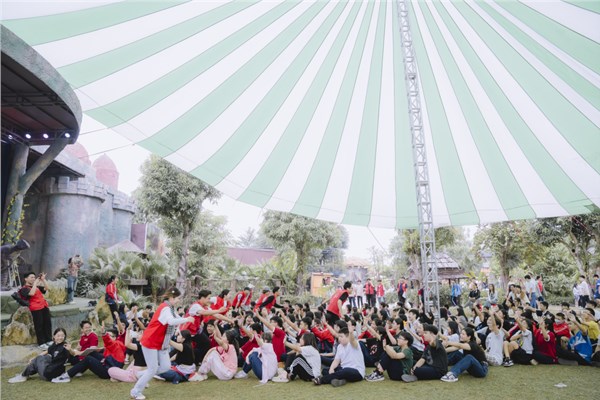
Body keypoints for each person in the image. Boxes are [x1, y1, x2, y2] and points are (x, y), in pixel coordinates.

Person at [130, 287, 194, 400]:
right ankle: (135, 391)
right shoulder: (165, 308)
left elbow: (176, 317)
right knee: (152, 369)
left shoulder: (170, 308)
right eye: (178, 298)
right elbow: (171, 321)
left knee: (166, 366)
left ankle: (141, 375)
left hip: (160, 342)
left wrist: (185, 320)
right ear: (172, 298)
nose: (179, 300)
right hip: (150, 340)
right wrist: (186, 319)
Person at [52, 322, 126, 383]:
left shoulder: (114, 344)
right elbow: (108, 350)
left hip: (108, 371)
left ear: (115, 337)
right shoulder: (117, 344)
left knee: (88, 359)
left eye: (111, 336)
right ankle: (79, 370)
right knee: (91, 353)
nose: (88, 329)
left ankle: (66, 376)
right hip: (109, 363)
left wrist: (104, 333)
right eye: (86, 327)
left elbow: (108, 342)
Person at [19, 271, 52, 348]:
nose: (33, 279)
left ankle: (49, 340)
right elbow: (31, 293)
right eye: (31, 277)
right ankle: (41, 343)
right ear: (26, 279)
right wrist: (35, 284)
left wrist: (43, 280)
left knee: (47, 323)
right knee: (39, 325)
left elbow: (47, 288)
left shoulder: (36, 287)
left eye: (34, 277)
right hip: (35, 308)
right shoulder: (23, 289)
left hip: (44, 306)